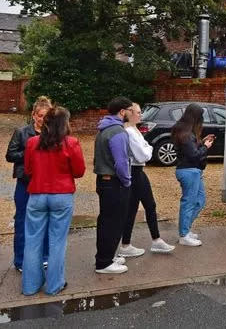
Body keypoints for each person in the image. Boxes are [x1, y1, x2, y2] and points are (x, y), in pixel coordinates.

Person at [21, 107, 85, 296]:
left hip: (37, 194)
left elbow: (28, 169)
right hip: (61, 195)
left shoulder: (33, 142)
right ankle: (54, 285)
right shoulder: (71, 143)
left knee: (32, 241)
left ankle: (30, 286)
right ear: (65, 123)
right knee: (57, 242)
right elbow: (79, 171)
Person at [120, 103, 174, 256]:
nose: (141, 115)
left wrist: (147, 149)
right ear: (129, 113)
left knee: (146, 206)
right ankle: (128, 244)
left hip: (138, 171)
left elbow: (147, 149)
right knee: (138, 208)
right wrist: (147, 149)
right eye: (138, 112)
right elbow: (144, 155)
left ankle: (153, 240)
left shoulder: (134, 130)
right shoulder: (130, 132)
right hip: (135, 171)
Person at [6, 96, 52, 273]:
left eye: (46, 116)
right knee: (22, 221)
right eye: (40, 115)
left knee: (47, 220)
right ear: (33, 115)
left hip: (46, 184)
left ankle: (45, 257)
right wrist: (29, 153)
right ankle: (20, 260)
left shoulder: (53, 133)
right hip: (25, 183)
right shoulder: (22, 132)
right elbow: (10, 155)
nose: (42, 119)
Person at [94, 96, 134, 274]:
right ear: (122, 111)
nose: (132, 114)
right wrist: (127, 181)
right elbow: (121, 162)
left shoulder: (104, 128)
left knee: (106, 221)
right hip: (114, 183)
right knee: (114, 222)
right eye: (131, 110)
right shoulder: (118, 131)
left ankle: (107, 256)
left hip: (104, 180)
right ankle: (104, 263)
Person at [173, 104, 214, 247]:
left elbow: (191, 150)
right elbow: (194, 155)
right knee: (189, 203)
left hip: (192, 170)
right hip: (189, 171)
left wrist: (202, 142)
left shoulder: (185, 132)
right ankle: (184, 235)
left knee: (200, 201)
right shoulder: (185, 134)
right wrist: (205, 147)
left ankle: (185, 229)